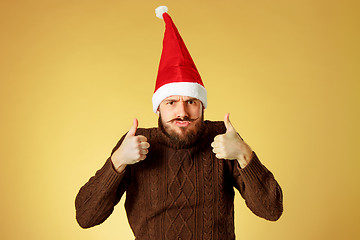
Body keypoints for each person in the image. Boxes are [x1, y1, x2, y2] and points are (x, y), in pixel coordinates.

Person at [75, 6, 283, 240]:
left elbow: (272, 210)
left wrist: (244, 154)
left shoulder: (223, 139)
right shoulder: (136, 145)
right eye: (171, 102)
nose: (182, 112)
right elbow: (85, 216)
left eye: (191, 101)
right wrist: (118, 161)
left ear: (202, 105)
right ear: (158, 108)